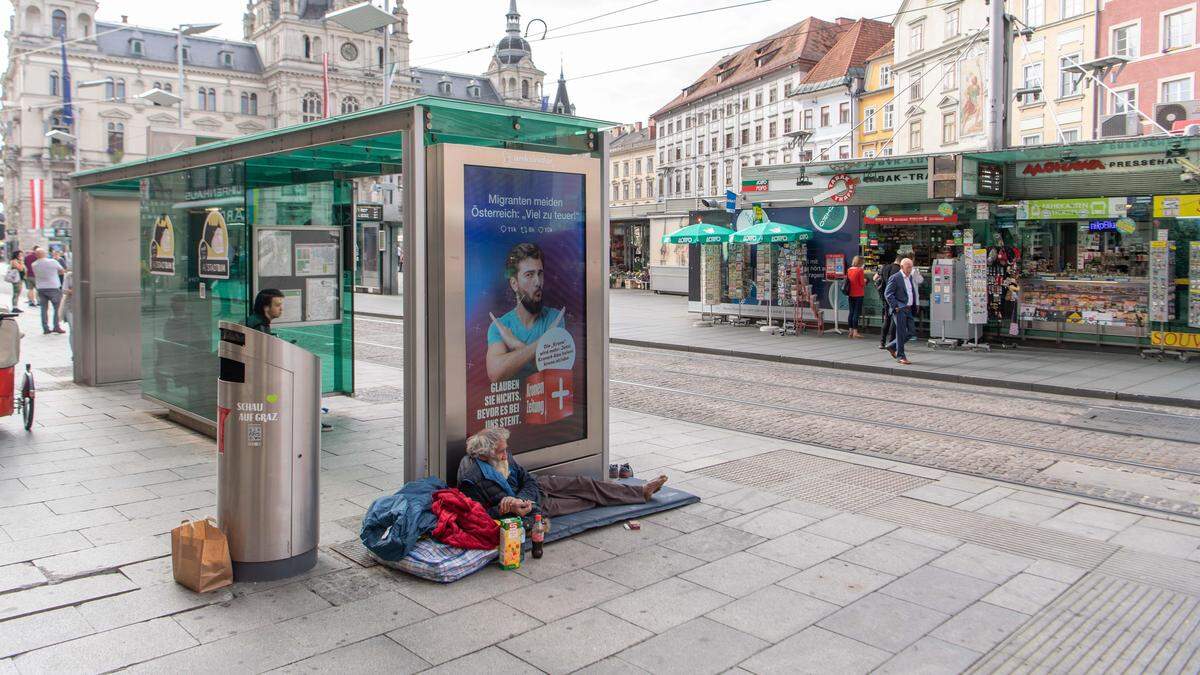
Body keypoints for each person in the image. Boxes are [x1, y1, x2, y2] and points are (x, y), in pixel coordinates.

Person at [457, 427, 668, 519]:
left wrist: (521, 498)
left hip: (531, 492)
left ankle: (641, 492)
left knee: (585, 485)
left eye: (505, 450)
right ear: (485, 455)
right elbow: (479, 517)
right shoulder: (471, 479)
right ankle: (628, 496)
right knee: (583, 502)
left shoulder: (504, 455)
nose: (506, 455)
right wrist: (507, 508)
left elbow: (527, 478)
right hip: (528, 510)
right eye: (501, 452)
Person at [486, 243, 564, 384]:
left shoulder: (555, 318)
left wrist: (516, 345)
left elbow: (553, 373)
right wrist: (543, 343)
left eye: (540, 274)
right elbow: (495, 373)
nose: (538, 282)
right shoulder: (501, 326)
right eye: (529, 275)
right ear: (514, 284)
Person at [883, 257, 919, 365]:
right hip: (900, 309)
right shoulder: (895, 277)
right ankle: (901, 356)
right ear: (902, 267)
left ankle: (891, 346)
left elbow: (911, 292)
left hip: (908, 308)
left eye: (911, 267)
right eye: (908, 267)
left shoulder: (910, 277)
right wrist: (896, 306)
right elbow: (888, 294)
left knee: (911, 331)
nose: (910, 269)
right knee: (901, 332)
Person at [30, 249, 65, 334]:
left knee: (43, 309)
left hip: (41, 288)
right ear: (45, 254)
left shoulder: (34, 264)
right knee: (57, 308)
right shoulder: (52, 261)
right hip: (53, 287)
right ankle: (56, 326)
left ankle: (45, 328)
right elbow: (62, 270)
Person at [873, 253, 901, 349]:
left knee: (887, 319)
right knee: (894, 320)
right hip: (895, 298)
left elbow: (874, 278)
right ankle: (892, 342)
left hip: (885, 296)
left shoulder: (884, 267)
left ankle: (882, 342)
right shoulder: (899, 270)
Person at [845, 256, 866, 339]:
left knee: (851, 312)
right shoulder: (860, 270)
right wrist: (865, 281)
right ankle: (855, 332)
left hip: (851, 293)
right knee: (856, 313)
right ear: (860, 262)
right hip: (859, 294)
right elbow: (862, 283)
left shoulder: (849, 270)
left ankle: (850, 331)